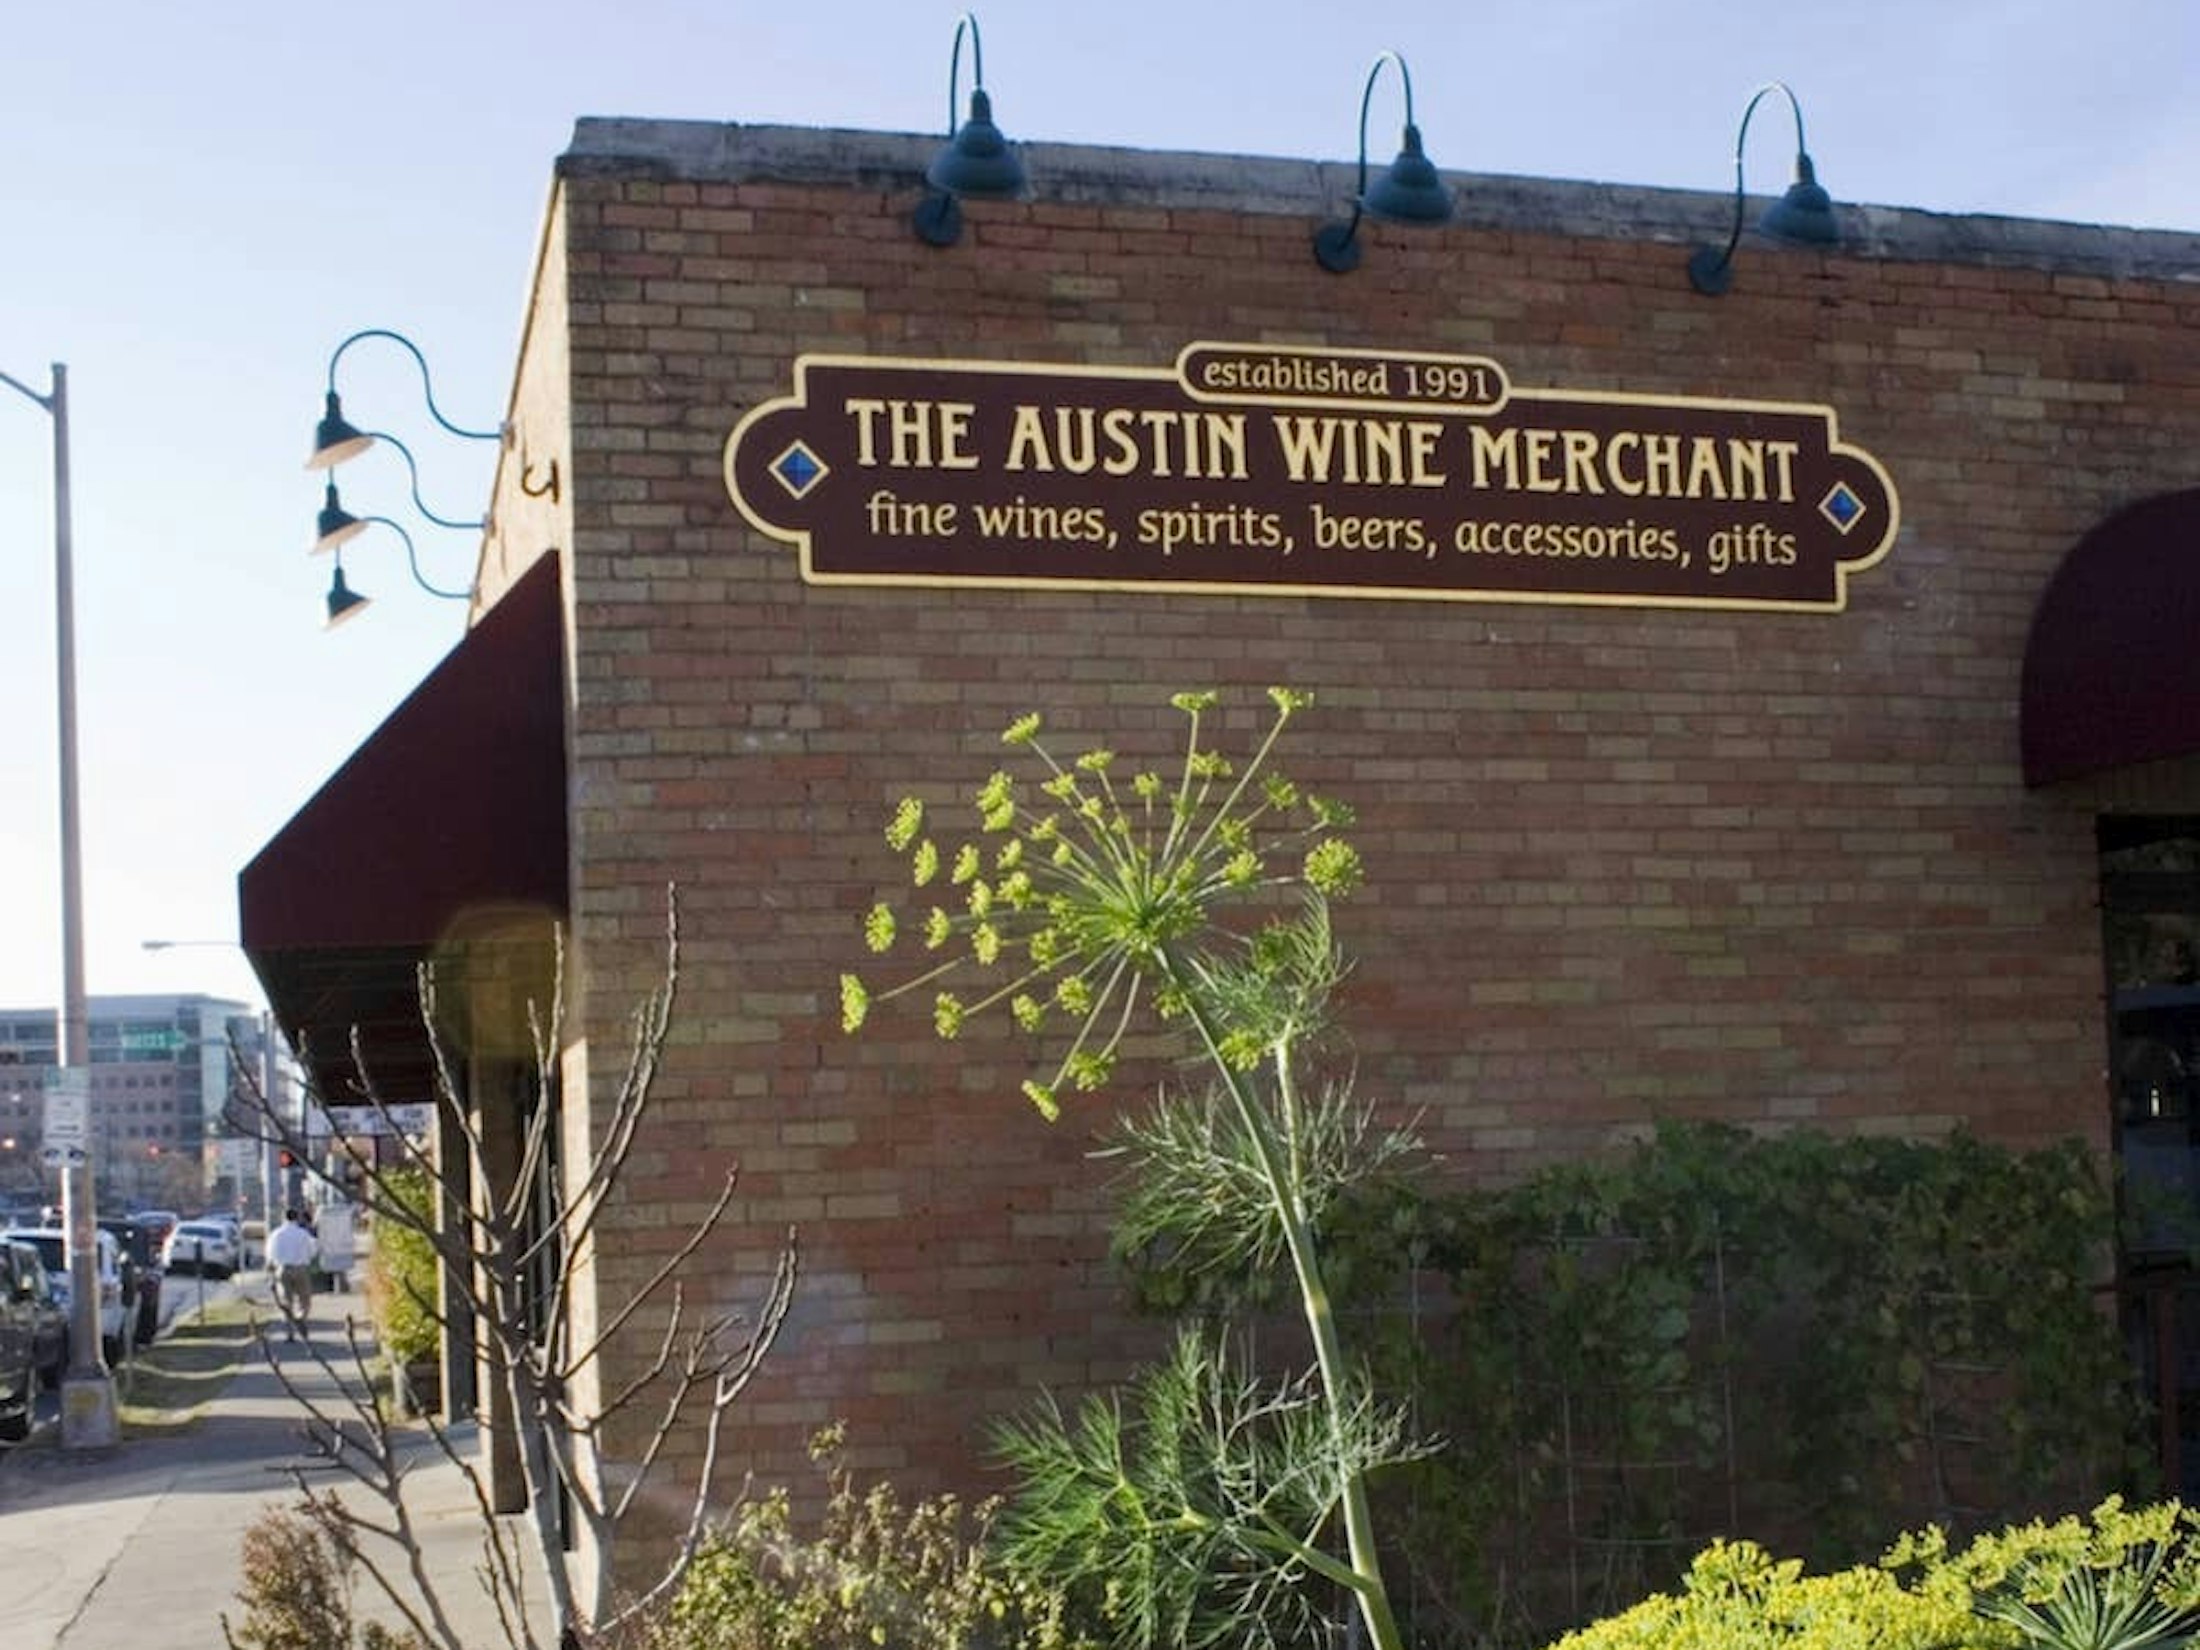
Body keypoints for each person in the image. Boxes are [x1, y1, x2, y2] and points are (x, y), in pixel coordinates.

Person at [267, 1207, 320, 1341]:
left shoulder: (276, 1234)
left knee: (286, 1301)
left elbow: (270, 1254)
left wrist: (272, 1267)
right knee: (304, 1299)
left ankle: (289, 1331)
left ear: (284, 1218)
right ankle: (301, 1318)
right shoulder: (303, 1234)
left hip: (283, 1269)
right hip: (301, 1268)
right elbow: (313, 1250)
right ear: (297, 1218)